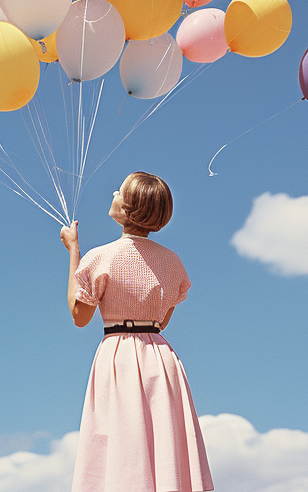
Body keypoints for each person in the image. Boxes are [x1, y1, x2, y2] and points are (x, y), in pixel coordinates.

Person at [60, 171, 214, 492]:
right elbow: (162, 321)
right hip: (160, 357)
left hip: (118, 354)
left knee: (121, 441)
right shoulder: (174, 263)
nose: (114, 192)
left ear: (129, 209)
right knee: (161, 442)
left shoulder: (98, 257)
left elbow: (79, 315)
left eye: (121, 191)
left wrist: (73, 251)